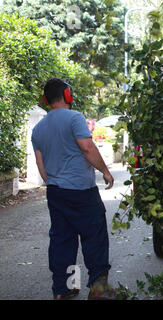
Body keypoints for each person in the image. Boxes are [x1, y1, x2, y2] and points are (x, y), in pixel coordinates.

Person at [32, 78, 116, 300]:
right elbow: (87, 147)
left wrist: (56, 181)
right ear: (68, 95)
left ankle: (64, 288)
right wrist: (106, 172)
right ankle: (98, 290)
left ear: (47, 99)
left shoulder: (38, 128)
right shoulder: (75, 118)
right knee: (94, 235)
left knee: (63, 239)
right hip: (81, 191)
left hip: (56, 191)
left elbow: (41, 168)